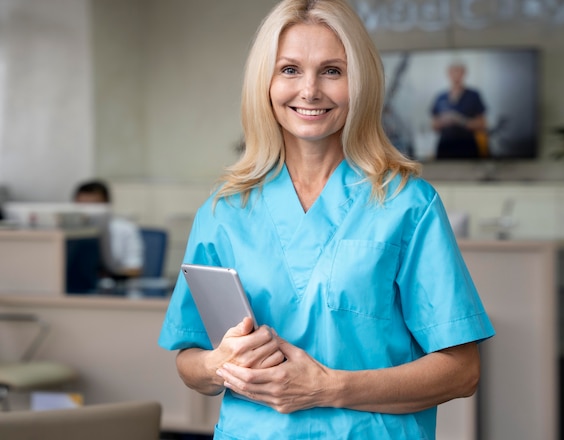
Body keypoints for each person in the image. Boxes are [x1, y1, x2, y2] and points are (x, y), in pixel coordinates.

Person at [159, 1, 495, 438]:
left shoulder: (407, 205)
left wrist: (327, 388)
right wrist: (217, 363)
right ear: (265, 81)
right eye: (290, 70)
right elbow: (190, 361)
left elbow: (462, 372)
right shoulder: (224, 211)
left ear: (360, 83)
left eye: (332, 71)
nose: (310, 90)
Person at [73, 179, 144, 279]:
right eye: (82, 206)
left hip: (114, 287)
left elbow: (135, 270)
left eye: (93, 206)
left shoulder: (125, 229)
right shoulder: (68, 234)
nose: (87, 211)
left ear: (107, 204)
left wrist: (108, 275)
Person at [431, 61, 488, 159]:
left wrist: (461, 121)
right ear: (448, 74)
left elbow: (482, 124)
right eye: (453, 72)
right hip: (445, 145)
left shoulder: (473, 95)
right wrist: (444, 121)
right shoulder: (441, 97)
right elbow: (433, 125)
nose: (456, 75)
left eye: (459, 71)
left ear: (464, 73)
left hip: (467, 146)